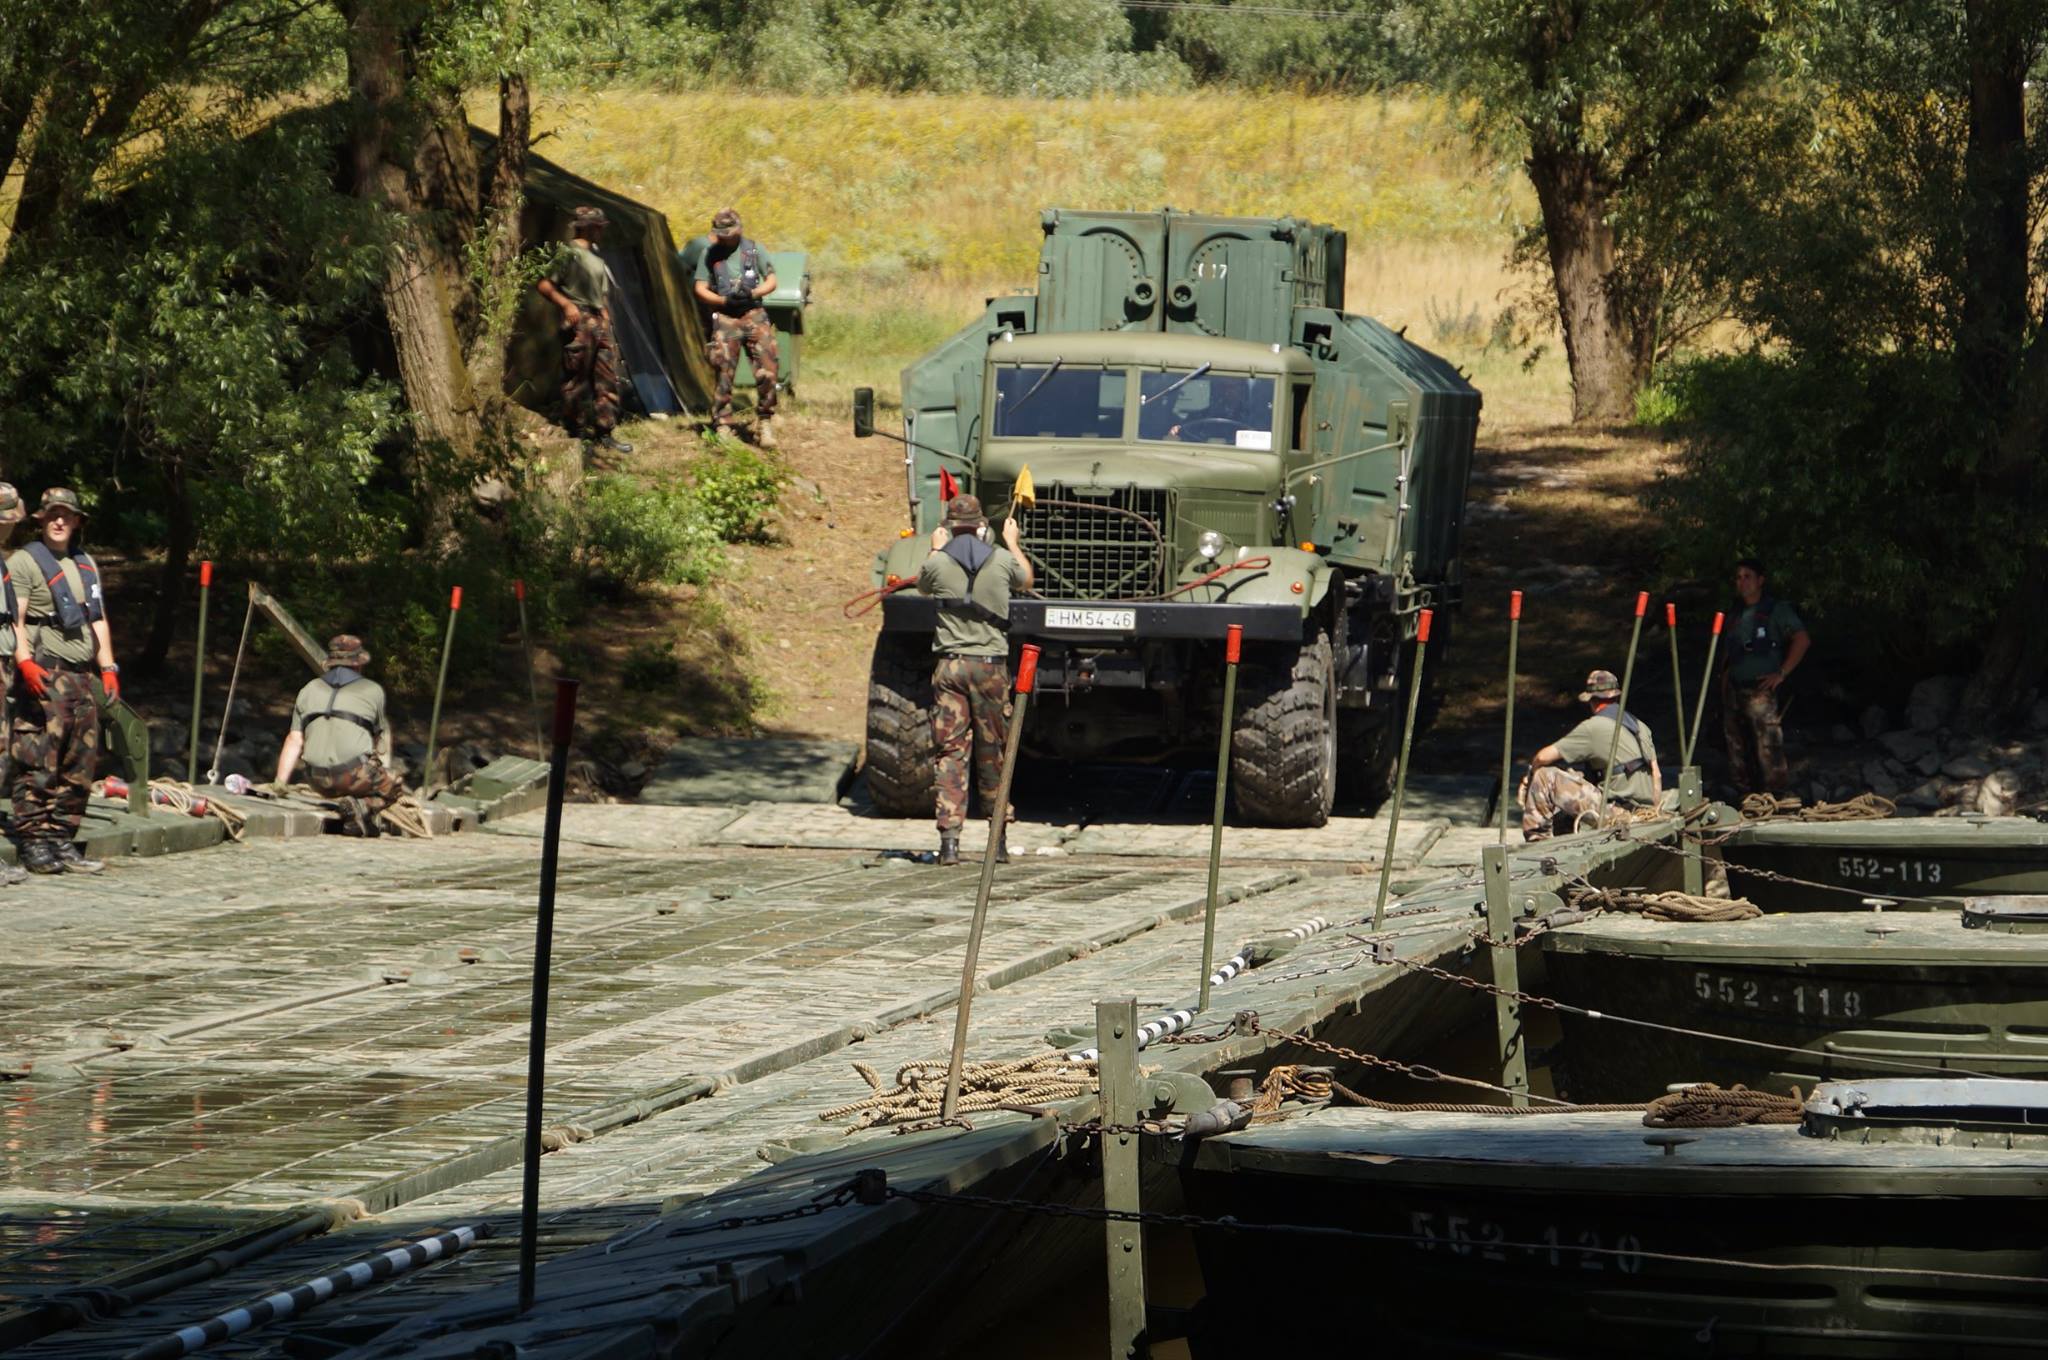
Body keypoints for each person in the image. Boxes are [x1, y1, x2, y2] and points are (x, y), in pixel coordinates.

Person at [916, 494, 1033, 866]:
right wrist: (1012, 542)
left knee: (950, 752)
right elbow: (1026, 579)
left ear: (949, 527)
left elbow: (923, 586)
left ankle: (949, 842)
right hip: (989, 668)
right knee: (993, 753)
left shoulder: (939, 562)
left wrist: (936, 549)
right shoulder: (1001, 559)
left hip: (950, 666)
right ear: (982, 526)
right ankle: (997, 842)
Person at [9, 487, 118, 875]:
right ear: (41, 519)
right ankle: (33, 840)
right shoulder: (25, 562)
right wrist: (25, 663)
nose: (59, 521)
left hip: (81, 677)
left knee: (79, 765)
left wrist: (109, 668)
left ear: (76, 521)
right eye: (52, 514)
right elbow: (16, 620)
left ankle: (61, 837)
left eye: (66, 515)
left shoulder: (85, 563)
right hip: (45, 673)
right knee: (38, 761)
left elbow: (97, 619)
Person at [273, 634, 408, 837]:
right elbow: (376, 740)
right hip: (352, 777)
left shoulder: (308, 689)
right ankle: (363, 805)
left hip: (316, 780)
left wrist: (280, 783)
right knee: (394, 784)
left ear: (330, 663)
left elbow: (294, 740)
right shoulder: (373, 690)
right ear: (358, 664)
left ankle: (358, 821)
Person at [1519, 668, 1663, 841]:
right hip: (1645, 814)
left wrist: (1529, 777)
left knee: (1545, 776)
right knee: (1574, 776)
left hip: (1617, 814)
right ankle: (1567, 839)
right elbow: (1657, 775)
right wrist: (1653, 814)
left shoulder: (1593, 727)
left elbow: (1542, 757)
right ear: (1616, 697)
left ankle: (1538, 841)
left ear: (1592, 701)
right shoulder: (1640, 726)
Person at [536, 205, 633, 455]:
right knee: (576, 380)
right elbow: (545, 285)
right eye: (598, 227)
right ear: (588, 228)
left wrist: (606, 319)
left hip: (599, 321)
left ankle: (605, 432)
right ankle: (575, 434)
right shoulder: (568, 253)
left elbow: (602, 296)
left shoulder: (598, 259)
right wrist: (566, 305)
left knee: (607, 378)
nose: (601, 232)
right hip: (579, 321)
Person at [691, 208, 781, 449]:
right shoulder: (709, 254)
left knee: (768, 367)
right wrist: (723, 301)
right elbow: (700, 288)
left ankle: (765, 421)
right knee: (723, 369)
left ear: (739, 229)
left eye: (728, 233)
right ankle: (722, 424)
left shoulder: (754, 249)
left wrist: (753, 293)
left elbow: (772, 280)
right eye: (720, 233)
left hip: (754, 314)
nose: (724, 237)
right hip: (726, 317)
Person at [1721, 557, 1809, 795]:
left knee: (1768, 746)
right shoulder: (1735, 614)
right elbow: (1729, 652)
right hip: (1734, 689)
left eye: (1747, 577)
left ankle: (1776, 797)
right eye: (1738, 578)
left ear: (1760, 580)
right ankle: (1744, 795)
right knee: (1736, 745)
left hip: (1760, 689)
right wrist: (1723, 683)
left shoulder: (1776, 610)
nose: (1742, 582)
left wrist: (1782, 673)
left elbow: (1802, 639)